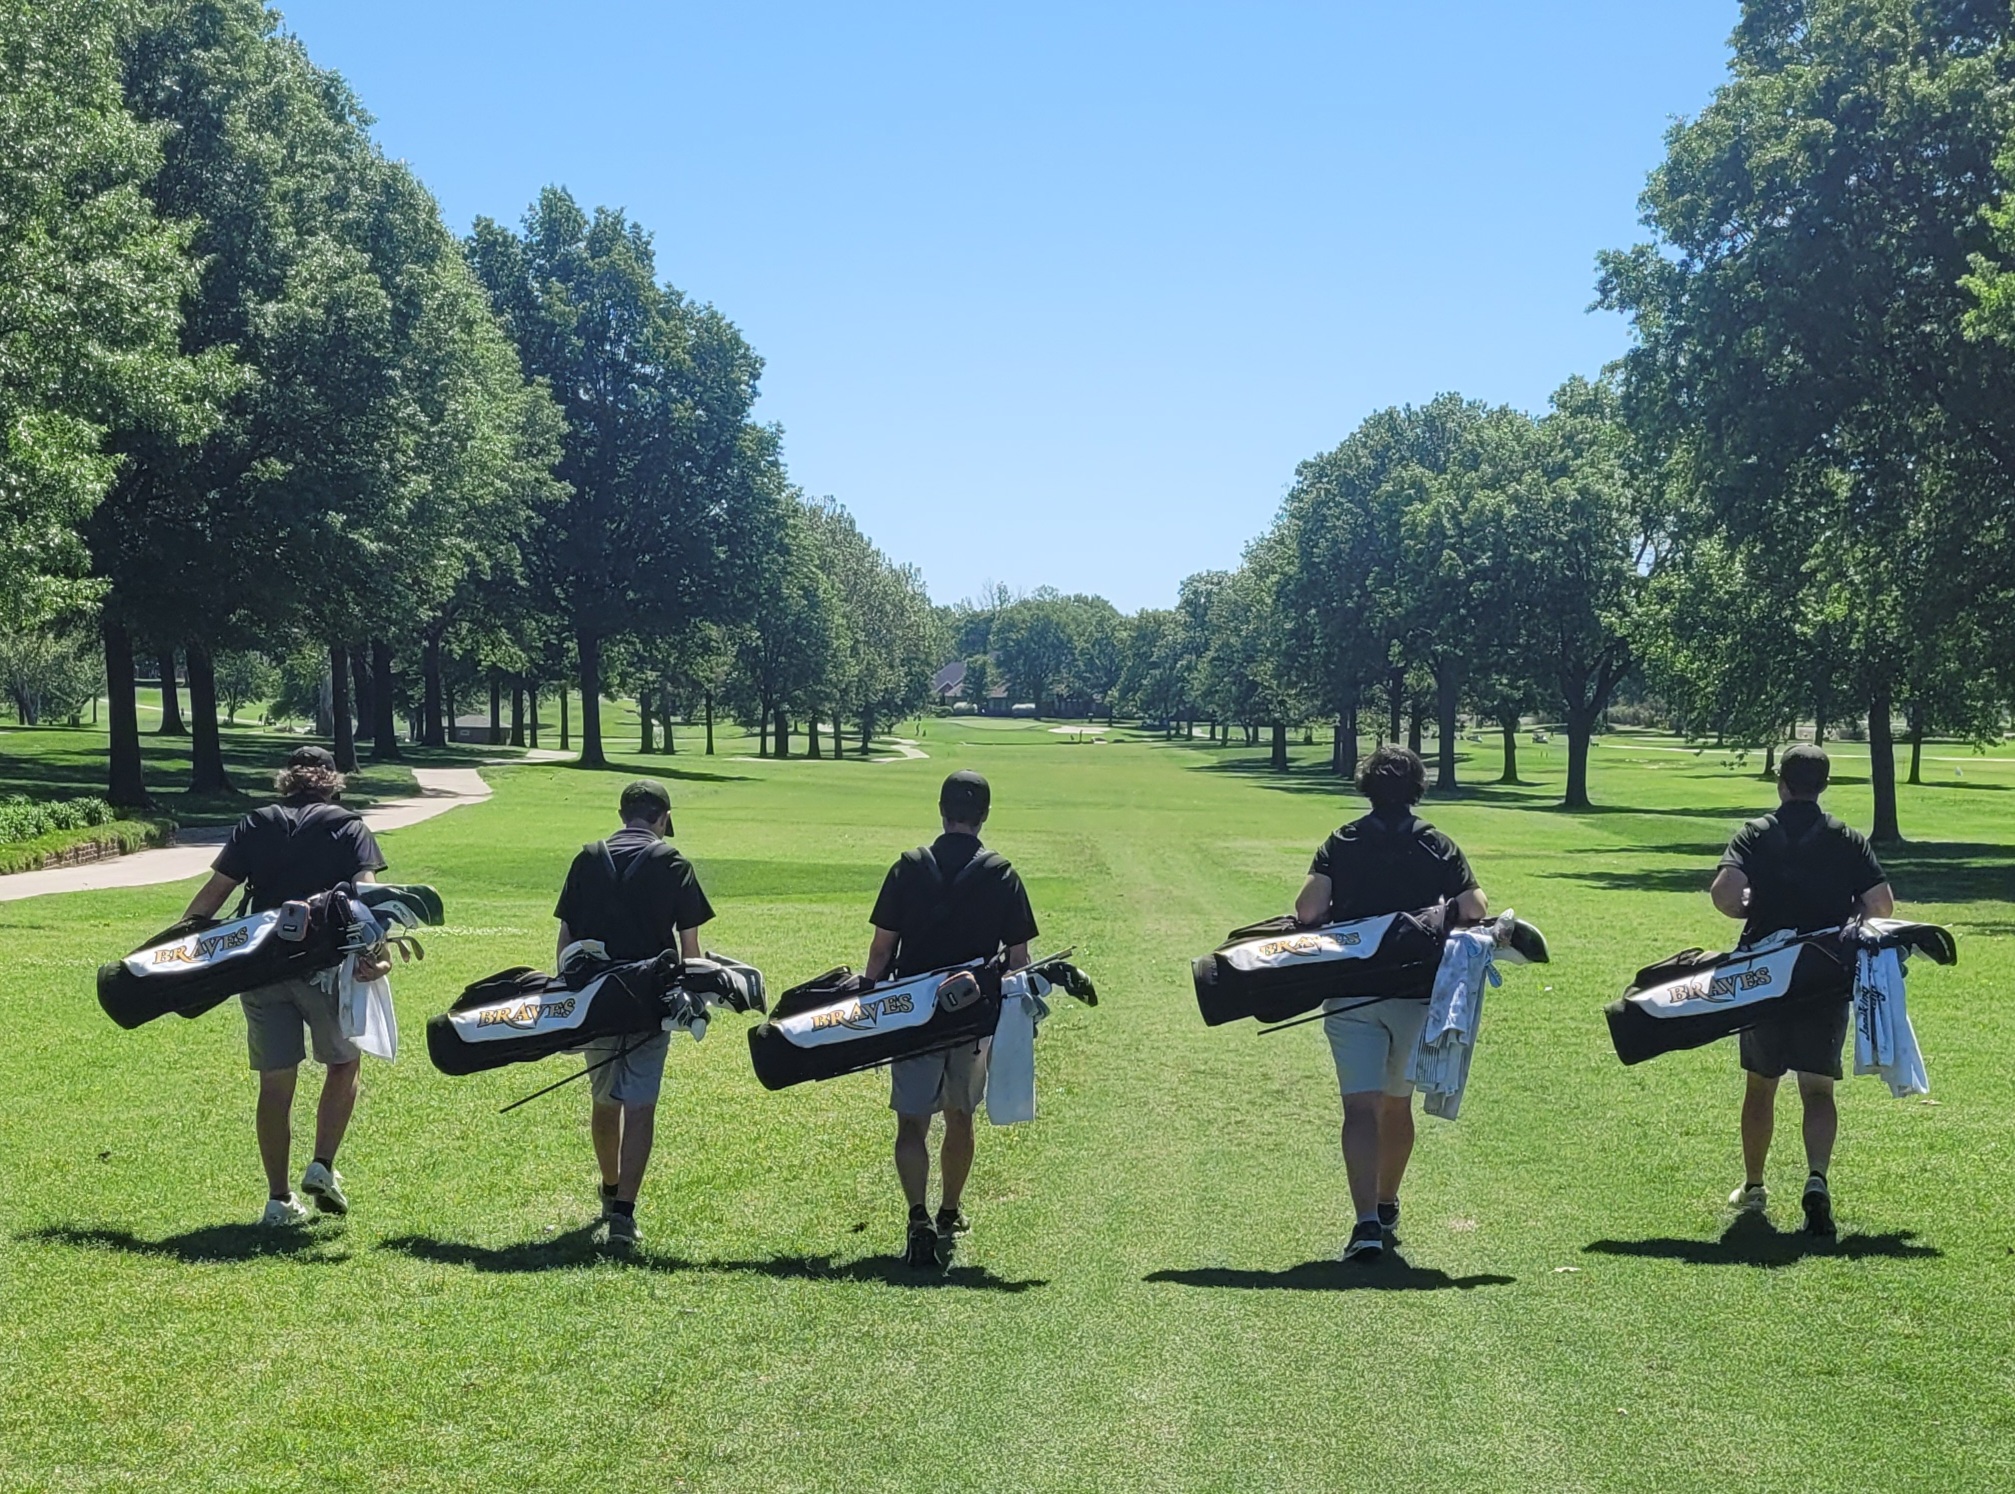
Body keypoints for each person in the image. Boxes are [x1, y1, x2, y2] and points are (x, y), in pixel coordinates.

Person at [1292, 745, 1486, 1264]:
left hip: (1351, 991)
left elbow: (1308, 909)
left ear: (1367, 787)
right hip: (1416, 995)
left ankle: (1365, 1224)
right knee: (1396, 1105)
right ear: (1417, 787)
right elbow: (1474, 909)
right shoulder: (1437, 845)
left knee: (1359, 1107)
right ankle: (1387, 1201)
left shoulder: (1344, 840)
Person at [180, 745, 388, 1226]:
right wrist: (377, 955)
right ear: (333, 781)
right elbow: (368, 895)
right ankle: (323, 1165)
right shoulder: (348, 826)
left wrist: (181, 955)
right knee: (344, 1063)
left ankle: (278, 1199)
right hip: (324, 969)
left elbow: (212, 897)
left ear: (286, 780)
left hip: (259, 968)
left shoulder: (257, 822)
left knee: (276, 1082)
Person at [1710, 743, 1893, 1237]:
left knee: (1761, 1086)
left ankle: (1754, 1186)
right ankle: (1816, 1179)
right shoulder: (1845, 838)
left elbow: (1724, 893)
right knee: (1817, 1089)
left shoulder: (1756, 834)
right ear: (1823, 786)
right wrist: (1848, 910)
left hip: (1765, 977)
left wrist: (1751, 909)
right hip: (1824, 976)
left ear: (1781, 783)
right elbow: (1882, 904)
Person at [863, 770, 1037, 1268]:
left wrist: (871, 1003)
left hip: (912, 1014)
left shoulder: (909, 866)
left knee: (911, 1123)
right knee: (960, 1116)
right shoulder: (1001, 871)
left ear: (941, 810)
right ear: (984, 816)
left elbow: (881, 949)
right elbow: (1019, 957)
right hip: (971, 1018)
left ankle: (916, 1216)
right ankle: (948, 1212)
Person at [553, 779, 715, 1253]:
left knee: (605, 1100)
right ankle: (624, 1211)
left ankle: (608, 1189)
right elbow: (689, 949)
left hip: (596, 999)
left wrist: (566, 994)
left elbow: (566, 938)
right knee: (641, 1103)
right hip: (650, 1001)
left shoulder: (587, 857)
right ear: (662, 817)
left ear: (623, 813)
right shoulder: (672, 861)